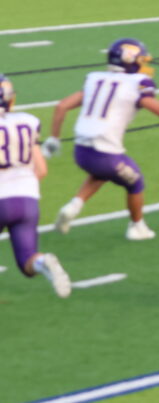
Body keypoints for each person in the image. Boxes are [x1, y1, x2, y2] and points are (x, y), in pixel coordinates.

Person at [43, 38, 159, 241]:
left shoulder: (95, 78)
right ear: (130, 60)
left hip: (81, 151)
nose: (144, 64)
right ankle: (137, 227)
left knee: (101, 173)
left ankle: (73, 206)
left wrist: (54, 138)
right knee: (135, 183)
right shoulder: (137, 83)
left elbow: (61, 106)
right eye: (141, 60)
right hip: (106, 154)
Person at [0, 74, 71, 298]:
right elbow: (41, 170)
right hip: (27, 198)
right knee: (27, 261)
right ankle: (42, 262)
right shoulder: (27, 122)